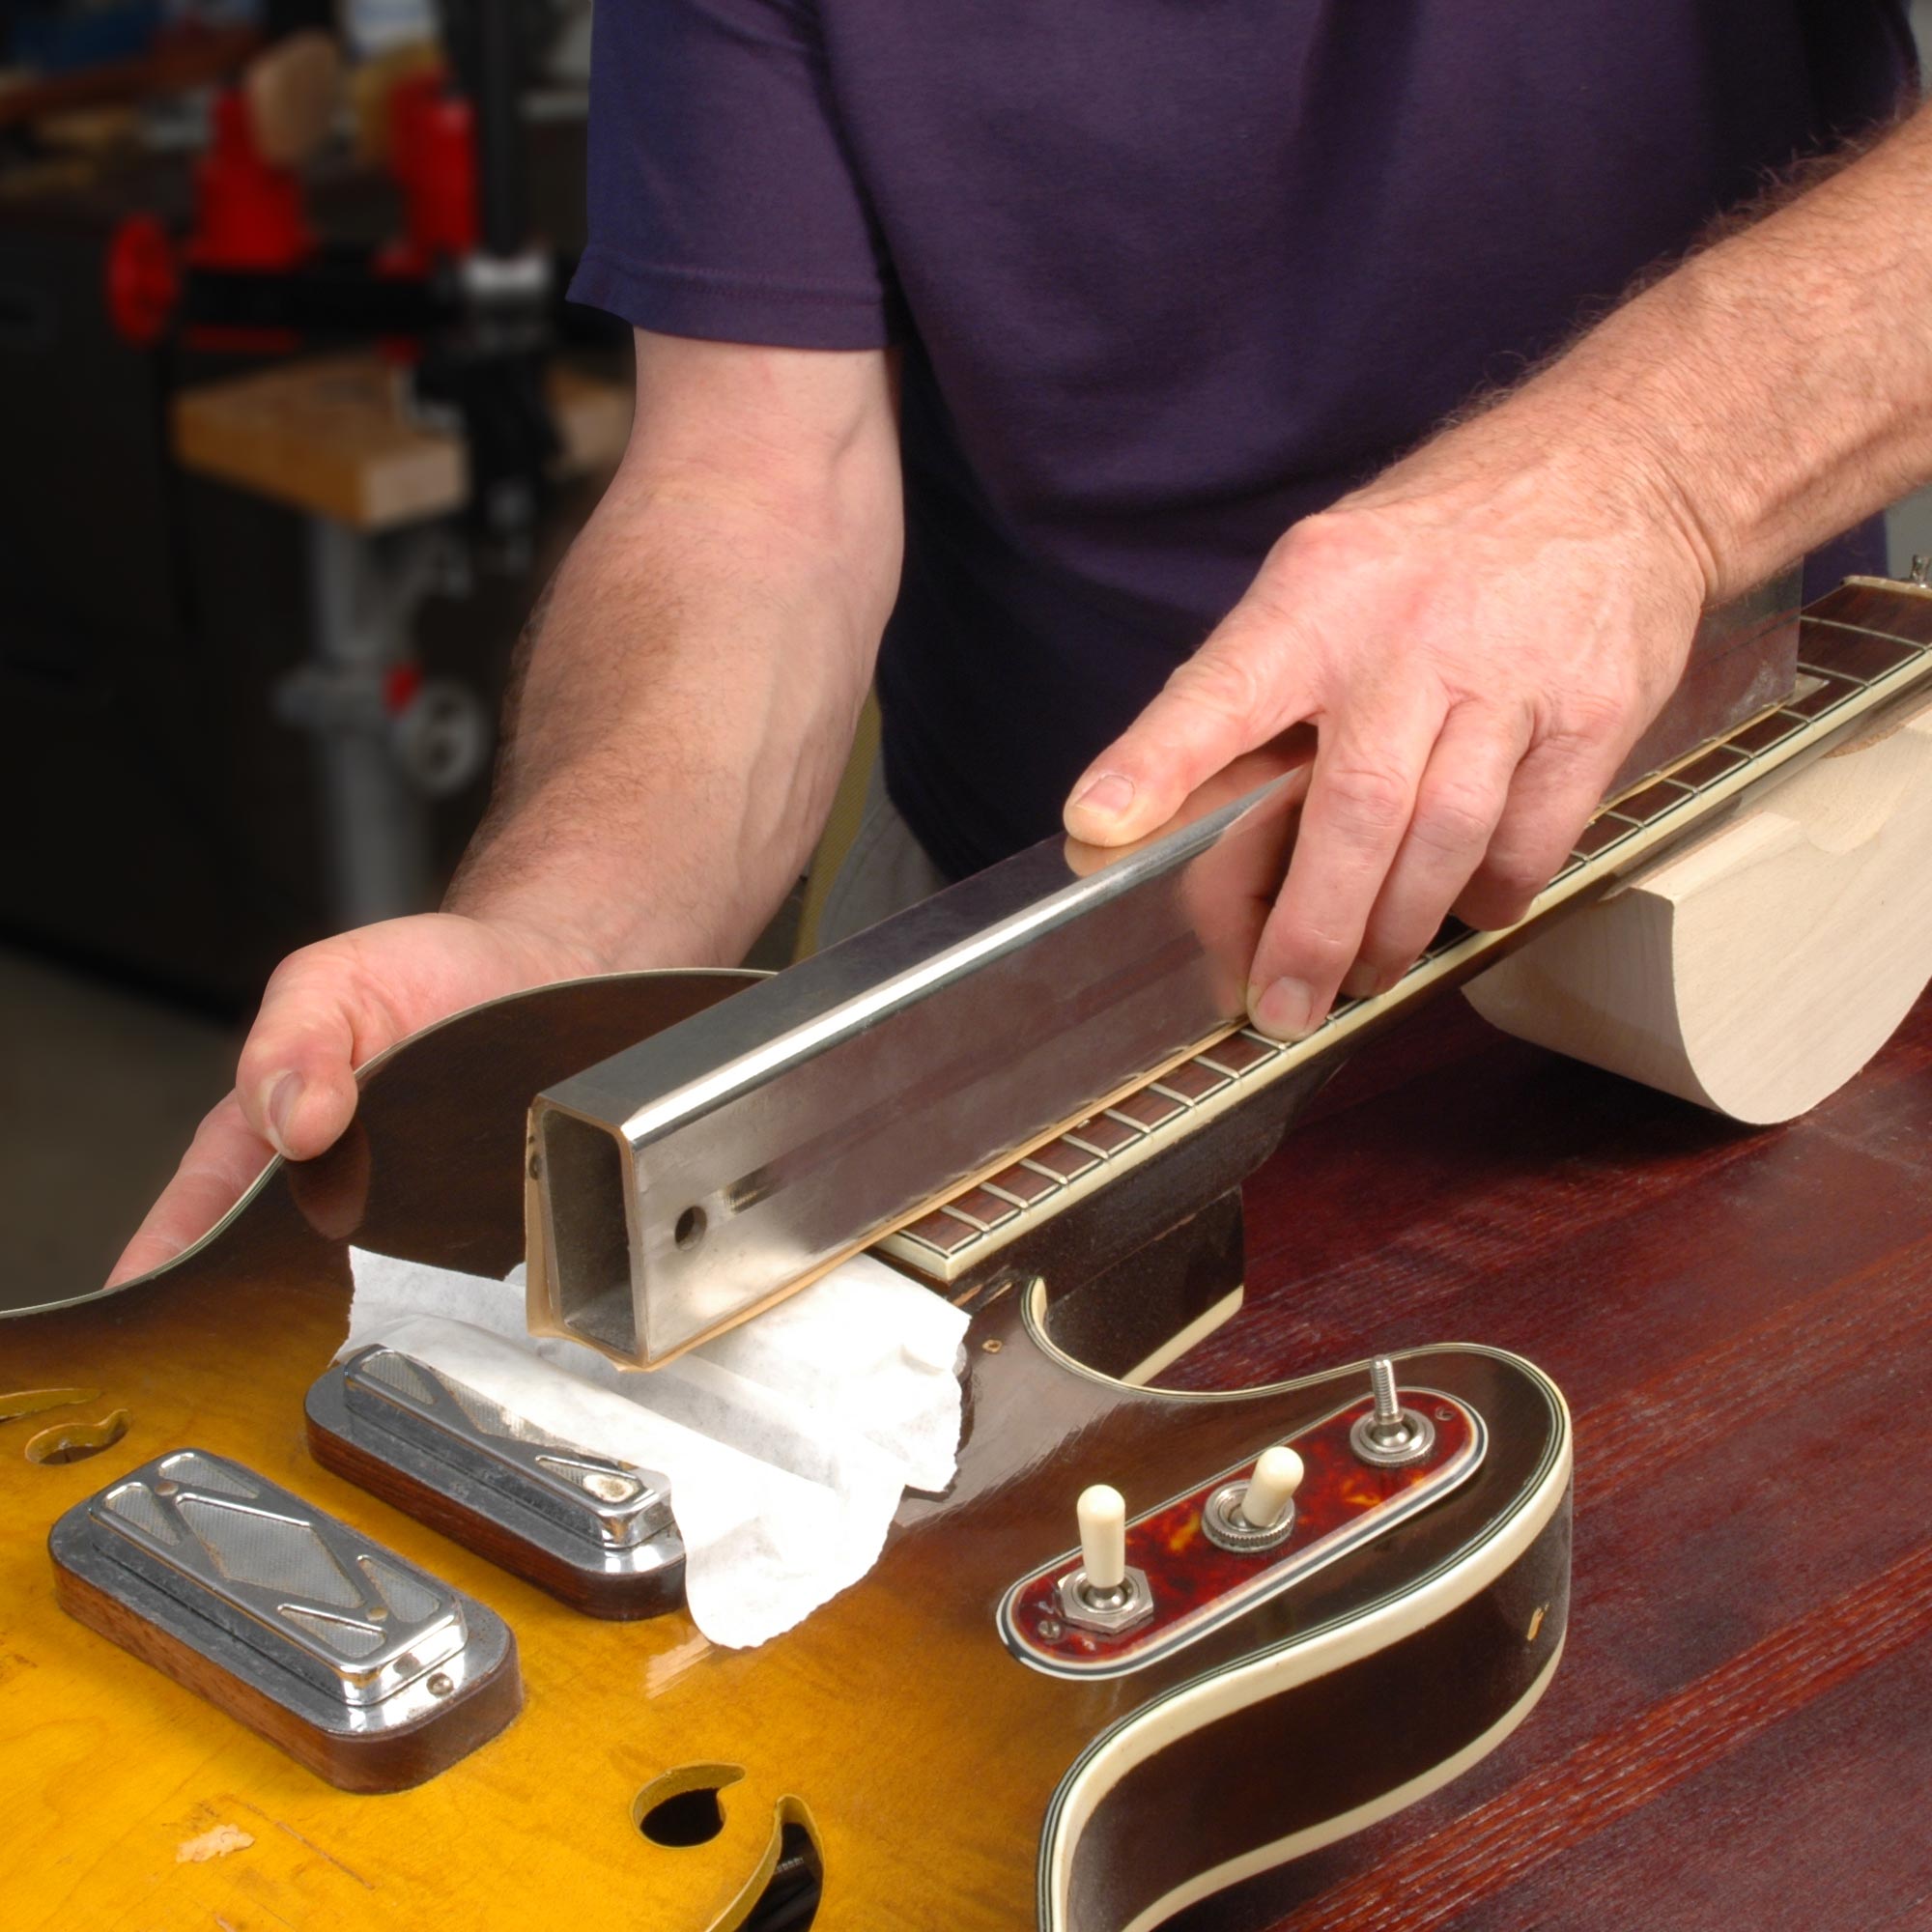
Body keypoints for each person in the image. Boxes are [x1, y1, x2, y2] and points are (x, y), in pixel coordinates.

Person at [115, 3, 1932, 1283]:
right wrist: (570, 947)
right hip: (1035, 952)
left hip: (1748, 862)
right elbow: (758, 492)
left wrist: (1634, 481)